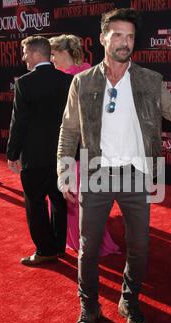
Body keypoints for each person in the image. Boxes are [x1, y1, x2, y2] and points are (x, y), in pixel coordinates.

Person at [57, 8, 171, 323]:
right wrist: (64, 170)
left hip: (136, 173)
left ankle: (129, 302)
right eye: (117, 35)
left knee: (140, 246)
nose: (124, 42)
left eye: (130, 36)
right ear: (103, 37)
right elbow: (69, 129)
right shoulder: (83, 81)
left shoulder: (148, 79)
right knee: (87, 251)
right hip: (95, 173)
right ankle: (88, 310)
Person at [49, 34, 120, 257]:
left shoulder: (85, 76)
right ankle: (73, 239)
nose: (51, 59)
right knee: (70, 196)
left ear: (64, 53)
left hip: (84, 149)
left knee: (81, 198)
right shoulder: (56, 77)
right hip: (65, 144)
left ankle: (89, 241)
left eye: (53, 54)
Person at [6, 36, 72, 266]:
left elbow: (19, 122)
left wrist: (12, 154)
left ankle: (45, 250)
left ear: (35, 54)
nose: (23, 57)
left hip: (34, 157)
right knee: (59, 200)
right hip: (63, 154)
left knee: (35, 203)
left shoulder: (24, 83)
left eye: (25, 53)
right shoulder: (68, 80)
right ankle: (59, 247)